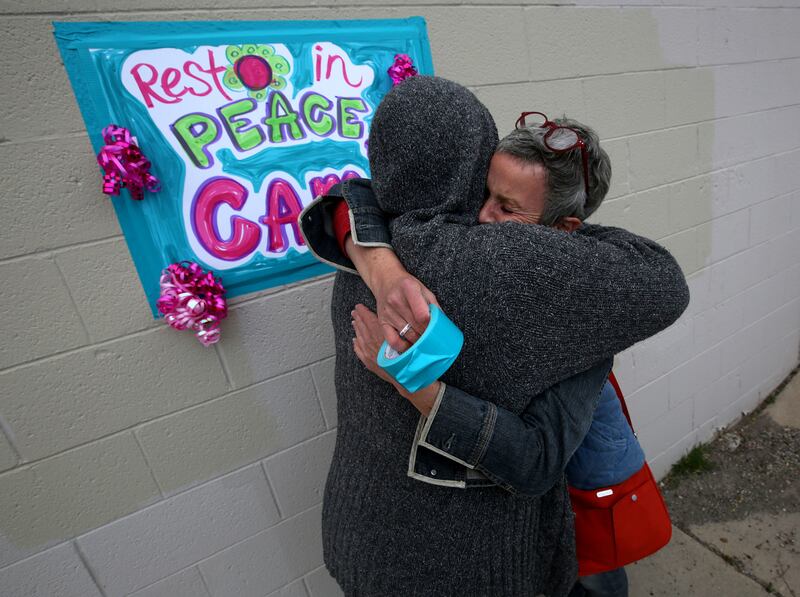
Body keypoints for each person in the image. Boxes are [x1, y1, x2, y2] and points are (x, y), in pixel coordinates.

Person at [299, 76, 689, 596]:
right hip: (472, 568)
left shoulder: (359, 250)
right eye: (487, 191)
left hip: (359, 536)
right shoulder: (541, 282)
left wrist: (377, 262)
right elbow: (662, 281)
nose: (483, 216)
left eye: (505, 206)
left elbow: (352, 194)